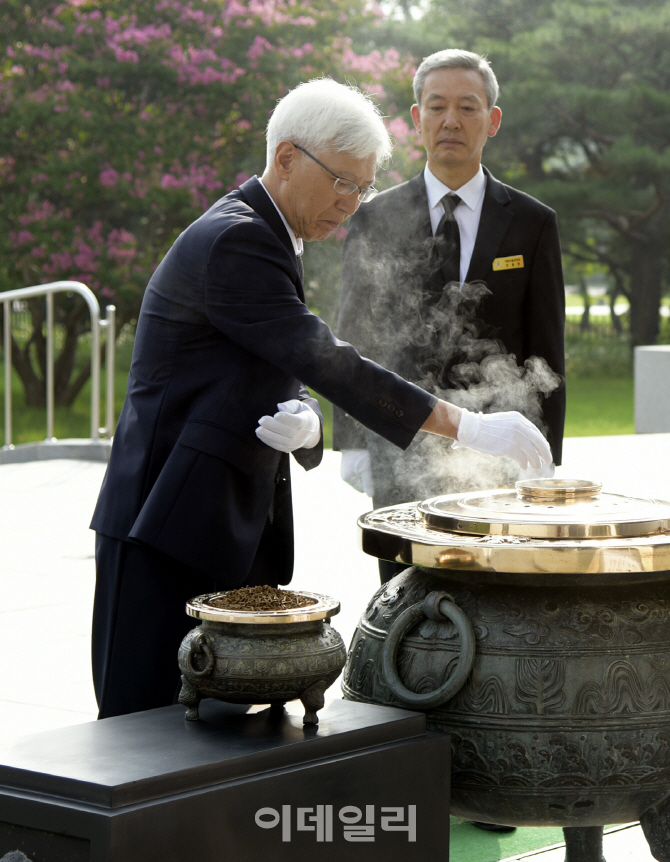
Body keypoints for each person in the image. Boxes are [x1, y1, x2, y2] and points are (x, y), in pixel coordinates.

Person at [90, 77, 552, 721]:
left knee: (208, 737)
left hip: (210, 520)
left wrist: (304, 418)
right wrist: (467, 428)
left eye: (362, 187)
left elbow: (273, 354)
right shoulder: (238, 237)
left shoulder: (269, 232)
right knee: (141, 732)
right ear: (286, 158)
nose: (352, 201)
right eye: (342, 181)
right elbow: (327, 357)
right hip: (165, 520)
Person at [334, 48, 566, 587]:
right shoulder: (374, 218)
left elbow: (546, 352)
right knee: (402, 601)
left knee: (497, 605)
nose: (451, 121)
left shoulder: (533, 223)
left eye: (468, 107)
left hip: (502, 454)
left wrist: (547, 454)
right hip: (399, 444)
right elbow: (354, 336)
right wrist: (351, 441)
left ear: (493, 119)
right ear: (416, 119)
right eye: (436, 106)